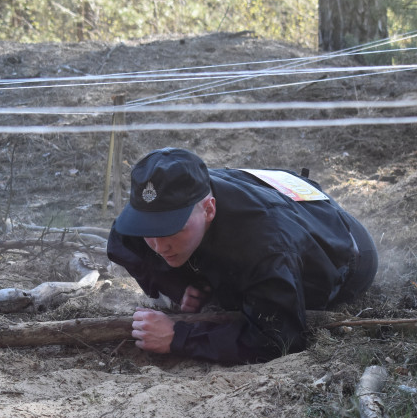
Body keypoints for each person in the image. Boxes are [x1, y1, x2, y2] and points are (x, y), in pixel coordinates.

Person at [107, 147, 377, 365]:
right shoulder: (165, 204)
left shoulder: (266, 247)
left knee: (250, 292)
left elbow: (280, 339)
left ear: (208, 209)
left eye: (170, 228)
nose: (158, 245)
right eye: (148, 228)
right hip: (267, 196)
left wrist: (178, 337)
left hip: (346, 249)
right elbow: (123, 242)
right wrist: (180, 286)